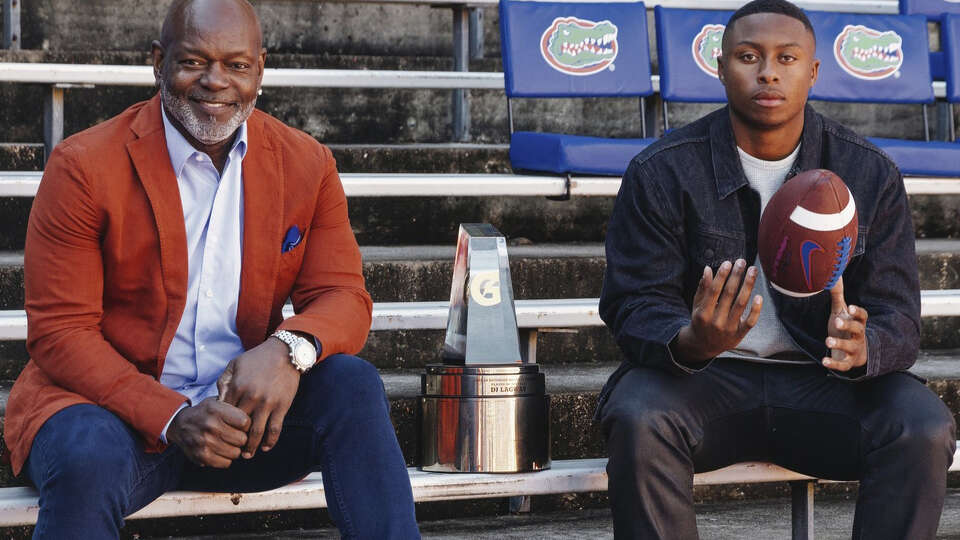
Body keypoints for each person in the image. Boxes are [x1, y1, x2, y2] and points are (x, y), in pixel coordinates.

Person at [3, 0, 420, 538]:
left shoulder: (306, 163)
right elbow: (61, 334)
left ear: (260, 69)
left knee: (352, 385)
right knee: (87, 454)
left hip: (242, 421)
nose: (215, 81)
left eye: (237, 65)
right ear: (158, 62)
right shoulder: (84, 167)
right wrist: (172, 416)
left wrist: (286, 351)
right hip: (114, 416)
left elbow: (344, 297)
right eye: (194, 61)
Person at [597, 1, 955, 538]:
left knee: (922, 426)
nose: (768, 71)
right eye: (748, 56)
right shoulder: (662, 170)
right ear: (720, 68)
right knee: (639, 417)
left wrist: (862, 349)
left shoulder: (868, 172)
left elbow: (898, 318)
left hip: (823, 386)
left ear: (812, 72)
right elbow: (633, 302)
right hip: (704, 381)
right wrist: (692, 338)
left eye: (786, 57)